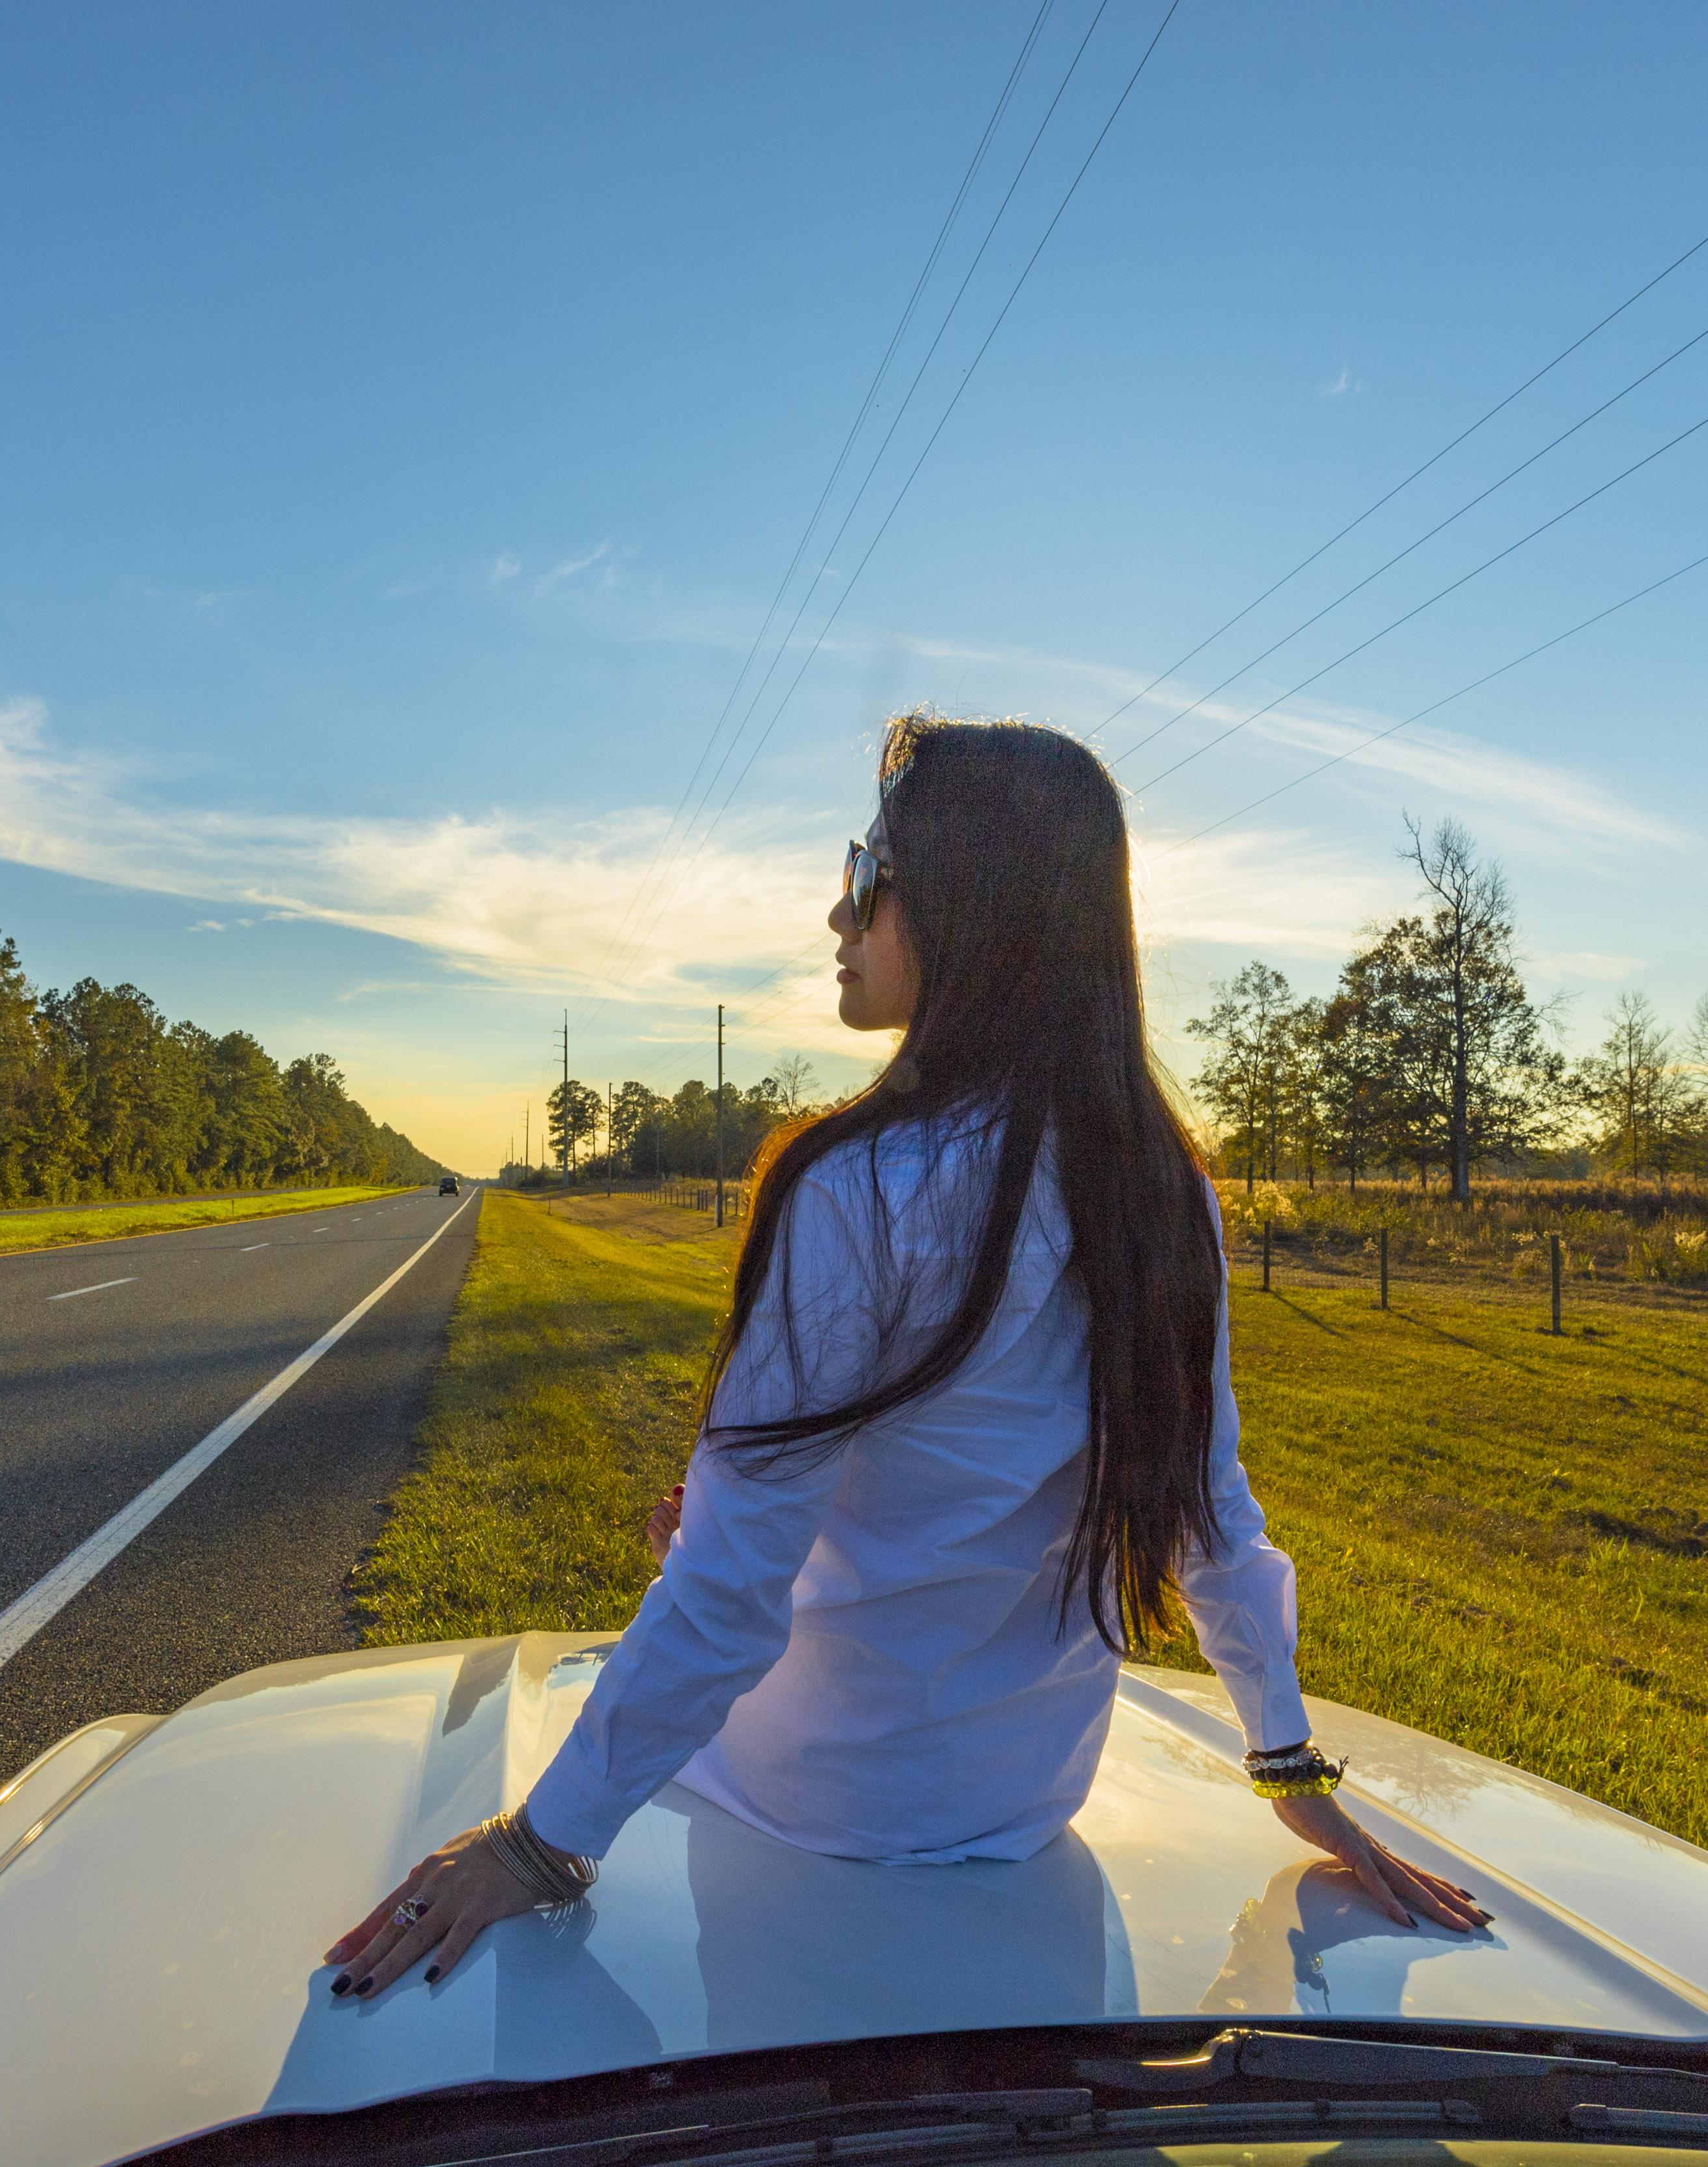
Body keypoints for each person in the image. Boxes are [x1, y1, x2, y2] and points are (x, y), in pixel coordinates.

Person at [326, 715, 1487, 2001]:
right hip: (1027, 1800)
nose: (838, 913)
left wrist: (537, 1847)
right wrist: (1286, 1767)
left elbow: (725, 1596)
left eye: (869, 873)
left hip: (811, 1797)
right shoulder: (1161, 1192)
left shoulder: (849, 1187)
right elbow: (1206, 1516)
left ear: (970, 916)